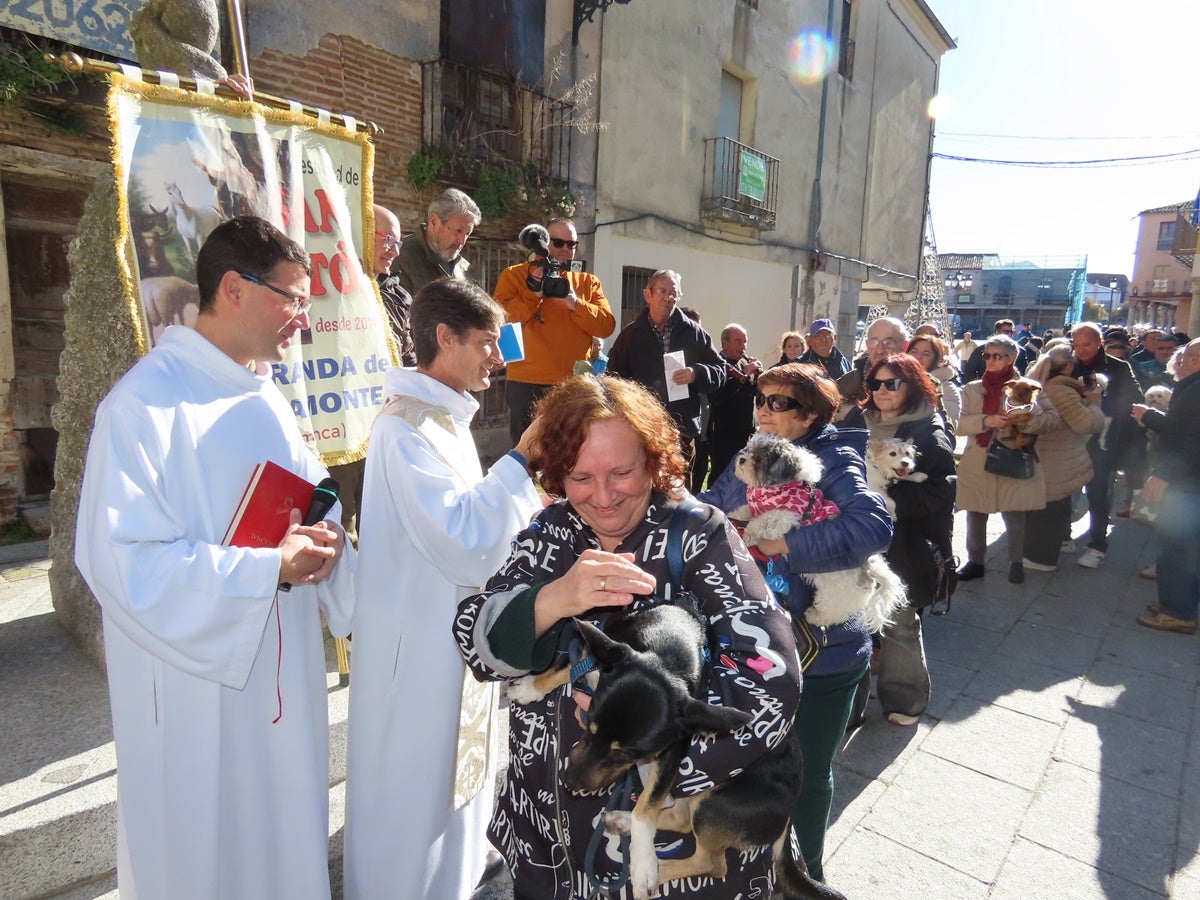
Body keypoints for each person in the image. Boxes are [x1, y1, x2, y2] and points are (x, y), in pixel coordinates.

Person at [75, 217, 355, 900]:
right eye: (292, 298)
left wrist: (327, 539)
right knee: (206, 857)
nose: (301, 317)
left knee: (282, 841)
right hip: (195, 693)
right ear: (234, 288)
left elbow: (311, 494)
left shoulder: (266, 394)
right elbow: (121, 560)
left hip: (280, 676)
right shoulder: (144, 405)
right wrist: (264, 569)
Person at [453, 375, 802, 898]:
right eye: (579, 476)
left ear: (653, 461)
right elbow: (471, 637)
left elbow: (770, 686)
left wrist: (644, 766)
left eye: (622, 472)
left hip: (660, 860)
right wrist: (555, 600)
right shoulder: (550, 535)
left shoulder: (697, 535)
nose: (602, 496)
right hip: (549, 839)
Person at [343, 279, 541, 900]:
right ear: (444, 337)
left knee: (450, 785)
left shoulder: (442, 418)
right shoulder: (404, 429)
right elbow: (463, 538)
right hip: (416, 647)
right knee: (412, 793)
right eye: (485, 342)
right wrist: (521, 461)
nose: (497, 357)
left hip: (445, 632)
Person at [700, 363, 892, 879]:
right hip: (758, 640)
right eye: (760, 399)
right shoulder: (756, 451)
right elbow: (713, 506)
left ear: (809, 414)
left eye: (777, 402)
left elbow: (875, 525)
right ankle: (758, 866)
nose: (763, 409)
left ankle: (807, 877)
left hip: (823, 648)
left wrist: (783, 544)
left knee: (807, 772)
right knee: (755, 764)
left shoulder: (836, 458)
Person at [841, 354, 955, 726]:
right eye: (875, 384)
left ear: (913, 384)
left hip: (903, 541)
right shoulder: (858, 419)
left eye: (892, 383)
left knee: (898, 619)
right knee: (850, 616)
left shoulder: (929, 431)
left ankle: (905, 699)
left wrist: (887, 501)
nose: (882, 391)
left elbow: (941, 491)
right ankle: (850, 703)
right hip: (853, 535)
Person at [328, 203, 412, 544]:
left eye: (398, 242)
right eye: (387, 239)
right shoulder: (328, 296)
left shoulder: (395, 294)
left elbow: (409, 355)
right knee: (342, 526)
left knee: (382, 523)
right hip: (343, 428)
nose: (393, 250)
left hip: (385, 426)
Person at [494, 217, 615, 446]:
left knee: (571, 451)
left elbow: (606, 326)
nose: (565, 250)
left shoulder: (587, 282)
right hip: (527, 381)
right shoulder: (515, 275)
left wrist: (574, 302)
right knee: (527, 452)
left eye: (572, 244)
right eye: (558, 243)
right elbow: (499, 319)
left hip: (574, 382)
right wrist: (532, 294)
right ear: (544, 243)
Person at [955, 334, 1057, 585]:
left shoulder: (1029, 387)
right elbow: (957, 423)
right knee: (976, 513)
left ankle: (1016, 563)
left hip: (1014, 456)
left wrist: (1026, 420)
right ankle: (975, 562)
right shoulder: (972, 388)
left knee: (1015, 514)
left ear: (1011, 358)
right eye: (986, 355)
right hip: (979, 459)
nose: (989, 360)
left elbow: (1052, 420)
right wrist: (986, 421)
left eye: (996, 356)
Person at [606, 269, 725, 485]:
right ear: (648, 295)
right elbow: (613, 380)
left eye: (673, 292)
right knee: (645, 486)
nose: (668, 297)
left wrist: (696, 373)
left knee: (681, 491)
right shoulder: (630, 336)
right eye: (662, 291)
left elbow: (720, 369)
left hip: (682, 428)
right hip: (643, 428)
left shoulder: (694, 332)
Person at [1133, 338, 1200, 633]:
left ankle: (1178, 613)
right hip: (1187, 480)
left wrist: (1164, 473)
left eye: (1183, 355)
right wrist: (1153, 417)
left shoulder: (1195, 389)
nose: (1178, 359)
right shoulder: (1192, 386)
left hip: (1186, 483)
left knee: (1177, 549)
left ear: (1196, 359)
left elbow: (1191, 442)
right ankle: (1179, 603)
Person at [1020, 340, 1105, 571]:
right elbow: (1086, 424)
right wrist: (1095, 403)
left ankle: (1031, 553)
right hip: (1057, 460)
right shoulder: (1061, 390)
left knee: (1041, 509)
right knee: (1053, 511)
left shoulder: (1041, 384)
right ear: (1067, 367)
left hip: (1041, 457)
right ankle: (1039, 559)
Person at [1070, 321, 1144, 568]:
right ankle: (1062, 534)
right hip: (1070, 439)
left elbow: (1135, 398)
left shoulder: (1119, 367)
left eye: (1087, 344)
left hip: (1103, 442)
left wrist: (1100, 402)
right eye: (1077, 344)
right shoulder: (1068, 365)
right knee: (1064, 489)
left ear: (1099, 343)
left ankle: (1097, 544)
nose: (1081, 349)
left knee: (1099, 494)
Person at [393, 188, 480, 295]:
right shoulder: (398, 256)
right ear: (434, 221)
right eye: (458, 231)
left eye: (467, 234)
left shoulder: (465, 268)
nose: (462, 241)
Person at [706, 322, 763, 482]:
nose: (743, 346)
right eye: (738, 341)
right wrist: (744, 374)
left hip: (745, 430)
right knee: (721, 474)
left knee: (744, 475)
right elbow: (718, 397)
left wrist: (759, 375)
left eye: (745, 341)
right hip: (724, 434)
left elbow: (754, 393)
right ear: (725, 343)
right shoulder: (717, 364)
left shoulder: (745, 362)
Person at [836, 316, 908, 412]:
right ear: (867, 345)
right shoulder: (850, 382)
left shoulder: (918, 383)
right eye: (874, 342)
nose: (880, 350)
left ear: (904, 347)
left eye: (888, 343)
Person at [905, 333, 962, 432]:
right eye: (914, 351)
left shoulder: (946, 388)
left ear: (935, 359)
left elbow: (948, 429)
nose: (918, 357)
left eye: (926, 354)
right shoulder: (896, 381)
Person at [961, 319, 1031, 382]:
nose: (1010, 334)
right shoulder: (981, 350)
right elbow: (969, 373)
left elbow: (1024, 373)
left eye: (1012, 332)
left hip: (1010, 389)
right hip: (985, 388)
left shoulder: (1021, 351)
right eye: (1006, 332)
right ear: (997, 332)